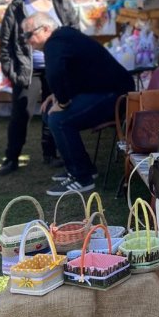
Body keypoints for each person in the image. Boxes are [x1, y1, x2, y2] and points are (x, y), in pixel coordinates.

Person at [22, 12, 134, 195]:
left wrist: (63, 101)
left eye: (29, 34)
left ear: (46, 29)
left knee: (58, 119)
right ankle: (83, 167)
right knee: (50, 112)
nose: (27, 40)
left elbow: (56, 73)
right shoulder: (62, 37)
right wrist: (57, 96)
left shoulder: (55, 42)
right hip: (105, 91)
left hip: (115, 95)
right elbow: (74, 71)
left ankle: (81, 177)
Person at [0, 0, 78, 176]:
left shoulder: (61, 3)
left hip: (55, 67)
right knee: (21, 113)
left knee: (54, 110)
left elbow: (74, 32)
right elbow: (5, 41)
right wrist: (11, 70)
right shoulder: (18, 6)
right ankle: (11, 158)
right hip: (27, 69)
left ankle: (51, 153)